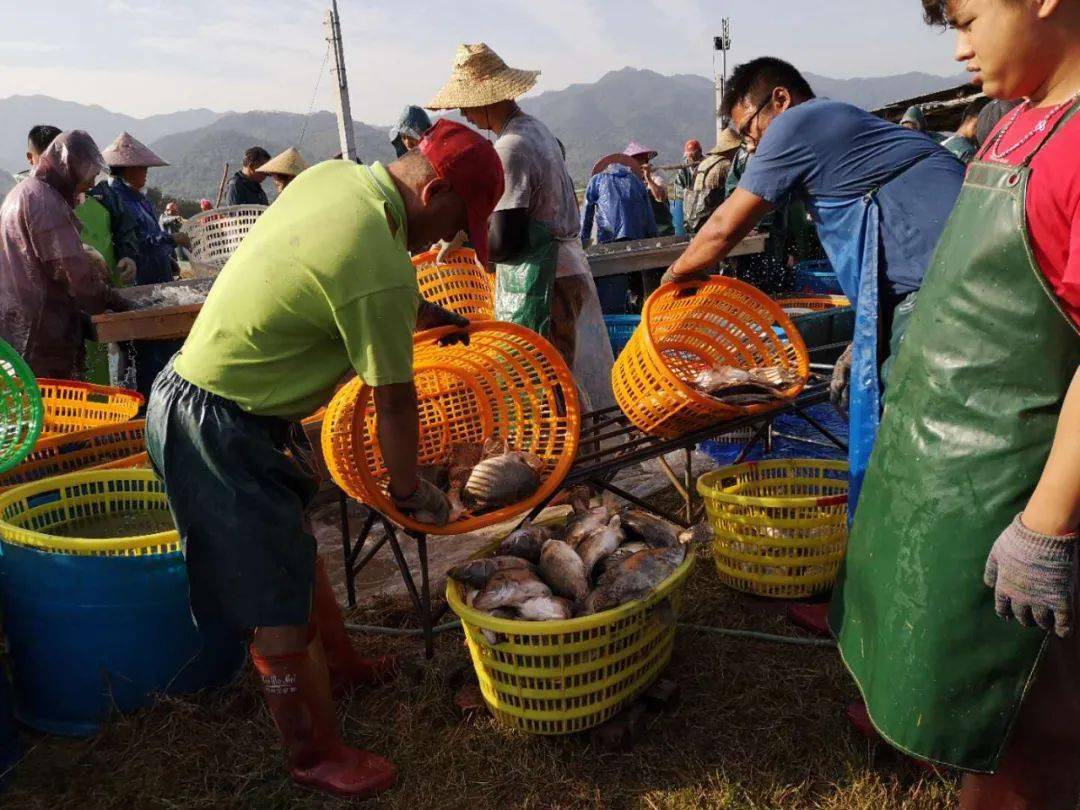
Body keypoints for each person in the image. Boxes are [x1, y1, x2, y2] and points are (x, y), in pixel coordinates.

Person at [145, 119, 503, 800]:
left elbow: (324, 277)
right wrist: (413, 493)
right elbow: (394, 402)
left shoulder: (334, 178)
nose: (453, 242)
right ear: (432, 190)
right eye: (459, 223)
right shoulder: (380, 264)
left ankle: (339, 667)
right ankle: (313, 752)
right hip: (217, 423)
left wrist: (420, 312)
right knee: (272, 596)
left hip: (210, 398)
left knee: (292, 552)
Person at [830, 2, 1080, 807]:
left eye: (970, 18)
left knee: (1027, 743)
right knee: (977, 730)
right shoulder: (1015, 122)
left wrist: (1047, 524)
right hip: (944, 483)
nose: (962, 48)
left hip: (1018, 497)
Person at [662, 56, 964, 529]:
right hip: (938, 288)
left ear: (779, 99)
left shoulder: (799, 122)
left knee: (928, 464)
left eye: (749, 128)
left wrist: (673, 277)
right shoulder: (842, 127)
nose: (752, 144)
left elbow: (722, 229)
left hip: (946, 300)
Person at [427, 43, 616, 411]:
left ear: (488, 98)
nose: (464, 112)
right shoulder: (536, 130)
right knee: (562, 375)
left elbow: (506, 240)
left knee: (548, 382)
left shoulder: (510, 148)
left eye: (467, 102)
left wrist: (467, 238)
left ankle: (569, 460)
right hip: (566, 270)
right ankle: (577, 454)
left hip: (547, 279)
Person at [0, 131, 127, 378]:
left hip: (18, 325)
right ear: (68, 167)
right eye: (88, 173)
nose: (92, 183)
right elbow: (74, 273)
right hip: (39, 333)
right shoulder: (45, 201)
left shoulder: (25, 192)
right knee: (50, 407)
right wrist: (115, 300)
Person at [101, 132, 191, 396]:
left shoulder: (139, 198)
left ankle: (159, 397)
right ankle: (142, 403)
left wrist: (169, 259)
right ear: (128, 169)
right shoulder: (116, 199)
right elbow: (137, 241)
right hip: (138, 286)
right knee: (143, 352)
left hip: (155, 280)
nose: (146, 173)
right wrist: (172, 238)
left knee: (162, 348)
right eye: (142, 168)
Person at [580, 154, 657, 245]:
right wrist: (653, 238)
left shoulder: (596, 180)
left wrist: (583, 240)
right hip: (636, 235)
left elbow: (586, 216)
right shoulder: (636, 180)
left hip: (608, 236)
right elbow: (648, 213)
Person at [683, 130, 742, 234]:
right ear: (732, 149)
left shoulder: (704, 163)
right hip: (712, 218)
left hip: (694, 219)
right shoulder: (726, 165)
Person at [623, 141, 674, 236]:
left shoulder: (657, 174)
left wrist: (648, 178)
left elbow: (661, 197)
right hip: (639, 232)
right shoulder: (629, 179)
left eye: (637, 160)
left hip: (661, 230)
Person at [942, 97, 991, 163]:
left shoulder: (944, 141)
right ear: (969, 118)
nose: (986, 127)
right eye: (984, 120)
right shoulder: (967, 151)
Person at [673, 139, 703, 204]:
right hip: (688, 203)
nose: (691, 158)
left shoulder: (707, 164)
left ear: (700, 152)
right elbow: (678, 190)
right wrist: (690, 195)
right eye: (689, 156)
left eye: (694, 155)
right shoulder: (683, 169)